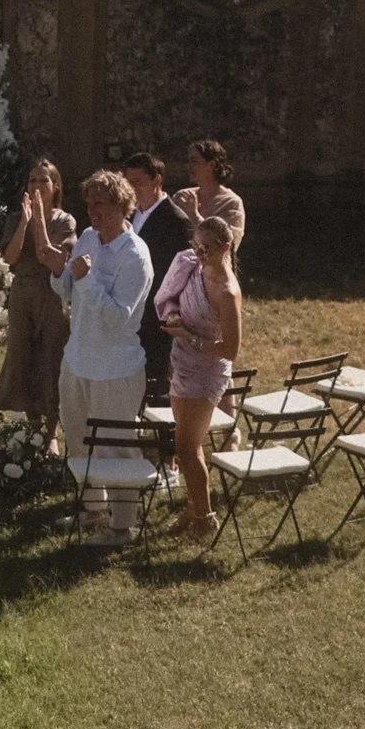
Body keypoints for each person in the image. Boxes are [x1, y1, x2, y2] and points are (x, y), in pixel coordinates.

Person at [58, 168, 155, 546]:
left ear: (122, 205)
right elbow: (68, 288)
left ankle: (122, 527)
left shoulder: (135, 256)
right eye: (89, 204)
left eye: (101, 204)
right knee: (78, 436)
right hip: (77, 359)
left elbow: (118, 318)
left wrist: (86, 279)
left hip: (115, 368)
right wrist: (61, 272)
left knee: (115, 446)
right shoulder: (87, 237)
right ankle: (93, 508)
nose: (93, 211)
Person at [154, 214, 243, 543]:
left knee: (186, 448)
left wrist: (187, 336)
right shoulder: (196, 267)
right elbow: (175, 297)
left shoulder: (227, 291)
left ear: (226, 247)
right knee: (188, 444)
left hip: (206, 371)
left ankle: (205, 519)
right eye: (196, 246)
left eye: (207, 248)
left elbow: (231, 350)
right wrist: (174, 316)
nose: (199, 253)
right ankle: (193, 508)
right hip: (182, 361)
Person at [0, 157, 74, 426]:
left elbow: (46, 255)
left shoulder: (64, 220)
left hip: (50, 292)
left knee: (50, 356)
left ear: (55, 186)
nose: (37, 185)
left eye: (43, 180)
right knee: (21, 355)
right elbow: (11, 257)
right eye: (32, 180)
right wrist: (25, 222)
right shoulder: (15, 218)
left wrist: (39, 218)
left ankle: (50, 429)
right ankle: (33, 423)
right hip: (22, 291)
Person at [122, 152, 191, 386]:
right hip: (128, 312)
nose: (132, 190)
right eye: (127, 184)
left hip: (157, 317)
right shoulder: (127, 216)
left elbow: (181, 275)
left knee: (156, 384)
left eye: (138, 183)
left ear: (157, 181)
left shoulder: (176, 220)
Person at [171, 137, 247, 251]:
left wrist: (194, 215)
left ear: (211, 165)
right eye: (189, 161)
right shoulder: (181, 197)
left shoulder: (231, 203)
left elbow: (228, 246)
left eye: (194, 161)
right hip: (181, 266)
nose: (189, 166)